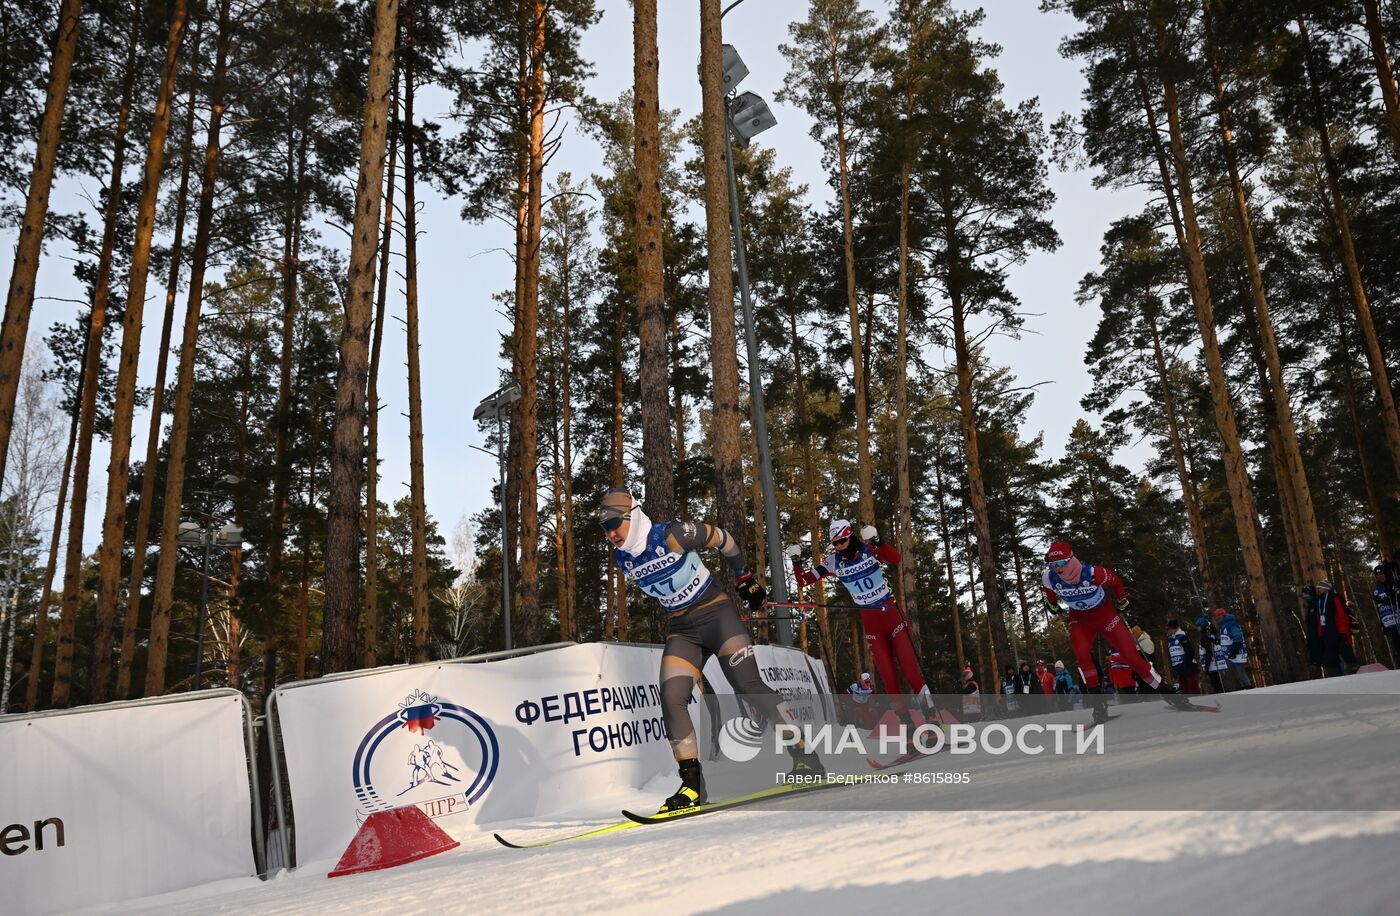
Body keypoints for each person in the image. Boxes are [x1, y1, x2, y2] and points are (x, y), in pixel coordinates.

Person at [599, 487, 821, 812]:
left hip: (718, 616)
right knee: (671, 697)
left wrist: (745, 577)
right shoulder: (622, 558)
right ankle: (692, 786)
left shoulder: (672, 535)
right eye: (605, 528)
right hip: (683, 629)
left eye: (616, 523)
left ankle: (806, 758)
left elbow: (722, 538)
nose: (612, 533)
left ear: (632, 516)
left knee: (747, 686)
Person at [1040, 540, 1192, 722]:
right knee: (1082, 654)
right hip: (1080, 619)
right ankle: (1098, 705)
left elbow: (1116, 581)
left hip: (1104, 614)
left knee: (1131, 656)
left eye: (1061, 563)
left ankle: (1167, 692)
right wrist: (1052, 605)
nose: (1058, 568)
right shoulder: (1049, 577)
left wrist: (1122, 601)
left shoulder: (1092, 573)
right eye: (1053, 564)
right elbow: (1049, 594)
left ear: (1071, 559)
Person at [792, 521, 931, 717]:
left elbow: (895, 558)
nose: (839, 545)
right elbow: (803, 581)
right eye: (835, 543)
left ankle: (933, 717)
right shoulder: (833, 562)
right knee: (889, 679)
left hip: (892, 616)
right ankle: (907, 730)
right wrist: (796, 560)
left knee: (910, 672)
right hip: (872, 625)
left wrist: (878, 540)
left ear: (850, 536)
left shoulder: (869, 550)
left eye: (842, 540)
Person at [1305, 579, 1357, 678]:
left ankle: (1355, 671)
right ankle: (1334, 678)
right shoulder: (1319, 600)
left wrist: (1343, 632)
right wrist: (1320, 634)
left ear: (1326, 588)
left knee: (1345, 651)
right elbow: (1319, 618)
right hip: (1327, 633)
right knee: (1329, 656)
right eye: (1317, 588)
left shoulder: (1335, 598)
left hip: (1338, 631)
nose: (1318, 589)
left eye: (1320, 588)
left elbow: (1342, 615)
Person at [1212, 607, 1253, 689]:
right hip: (1231, 655)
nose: (1216, 618)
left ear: (1223, 616)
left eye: (1218, 616)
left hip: (1237, 654)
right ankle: (1245, 690)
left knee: (1241, 674)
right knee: (1238, 676)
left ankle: (1249, 690)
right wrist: (1217, 642)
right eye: (1215, 617)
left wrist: (1234, 651)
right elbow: (1226, 640)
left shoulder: (1231, 624)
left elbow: (1237, 637)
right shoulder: (1224, 626)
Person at [1164, 618, 1201, 694]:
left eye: (1168, 629)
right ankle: (1186, 704)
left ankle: (1200, 702)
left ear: (1173, 628)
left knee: (1193, 687)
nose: (1167, 631)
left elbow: (1190, 652)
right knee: (1184, 689)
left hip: (1189, 667)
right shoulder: (1171, 640)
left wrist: (1185, 664)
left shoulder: (1182, 637)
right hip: (1180, 669)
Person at [1372, 565, 1400, 665]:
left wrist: (1394, 595)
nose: (1379, 576)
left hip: (1398, 616)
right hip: (1389, 622)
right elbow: (1379, 606)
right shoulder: (1376, 590)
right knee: (1397, 645)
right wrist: (1383, 625)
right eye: (1377, 575)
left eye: (1381, 574)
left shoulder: (1395, 584)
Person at [1196, 614, 1227, 693]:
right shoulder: (1211, 633)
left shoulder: (1206, 636)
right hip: (1217, 664)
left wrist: (1206, 667)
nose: (1197, 628)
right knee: (1217, 684)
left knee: (1216, 685)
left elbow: (1209, 652)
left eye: (1199, 626)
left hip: (1213, 665)